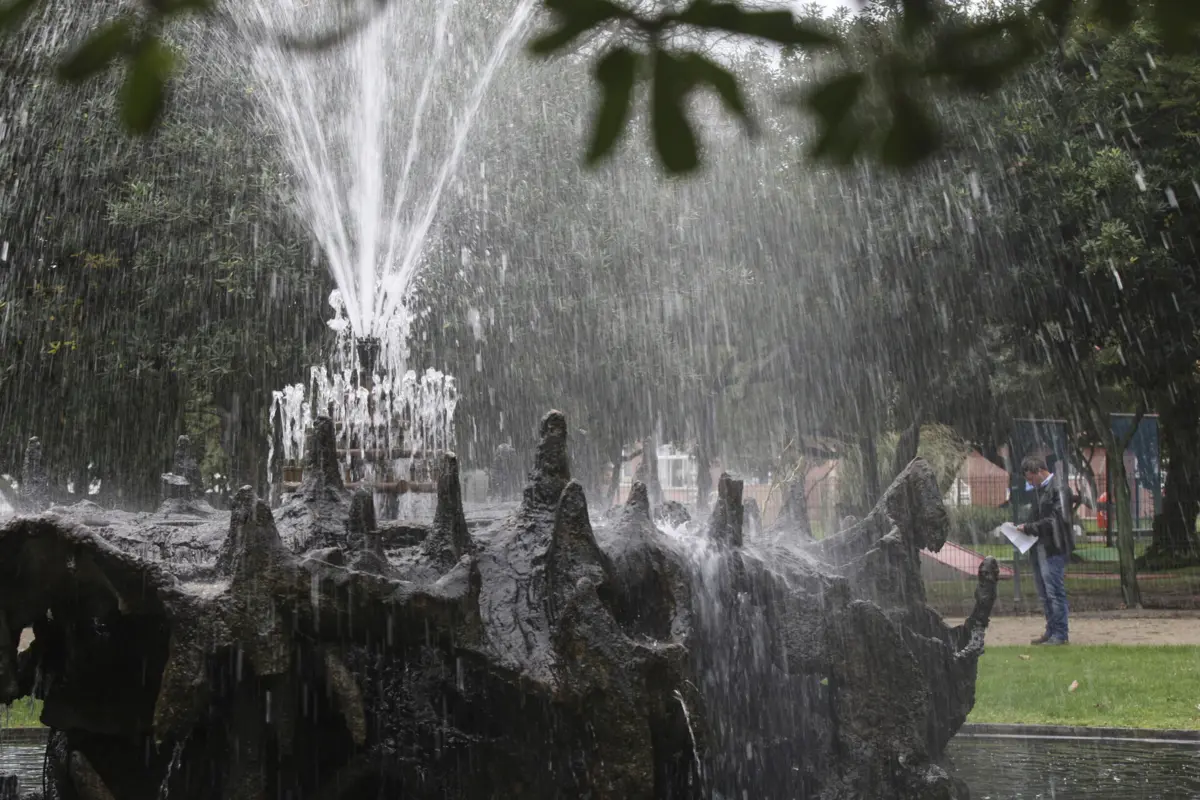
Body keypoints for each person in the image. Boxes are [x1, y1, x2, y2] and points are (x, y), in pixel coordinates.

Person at [1018, 456, 1073, 645]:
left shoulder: (1060, 489)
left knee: (1054, 591)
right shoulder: (1043, 490)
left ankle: (1060, 633)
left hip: (1053, 547)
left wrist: (1030, 527)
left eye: (1030, 478)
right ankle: (1051, 630)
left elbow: (1056, 520)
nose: (1030, 483)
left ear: (1040, 472)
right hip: (1041, 546)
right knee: (1045, 593)